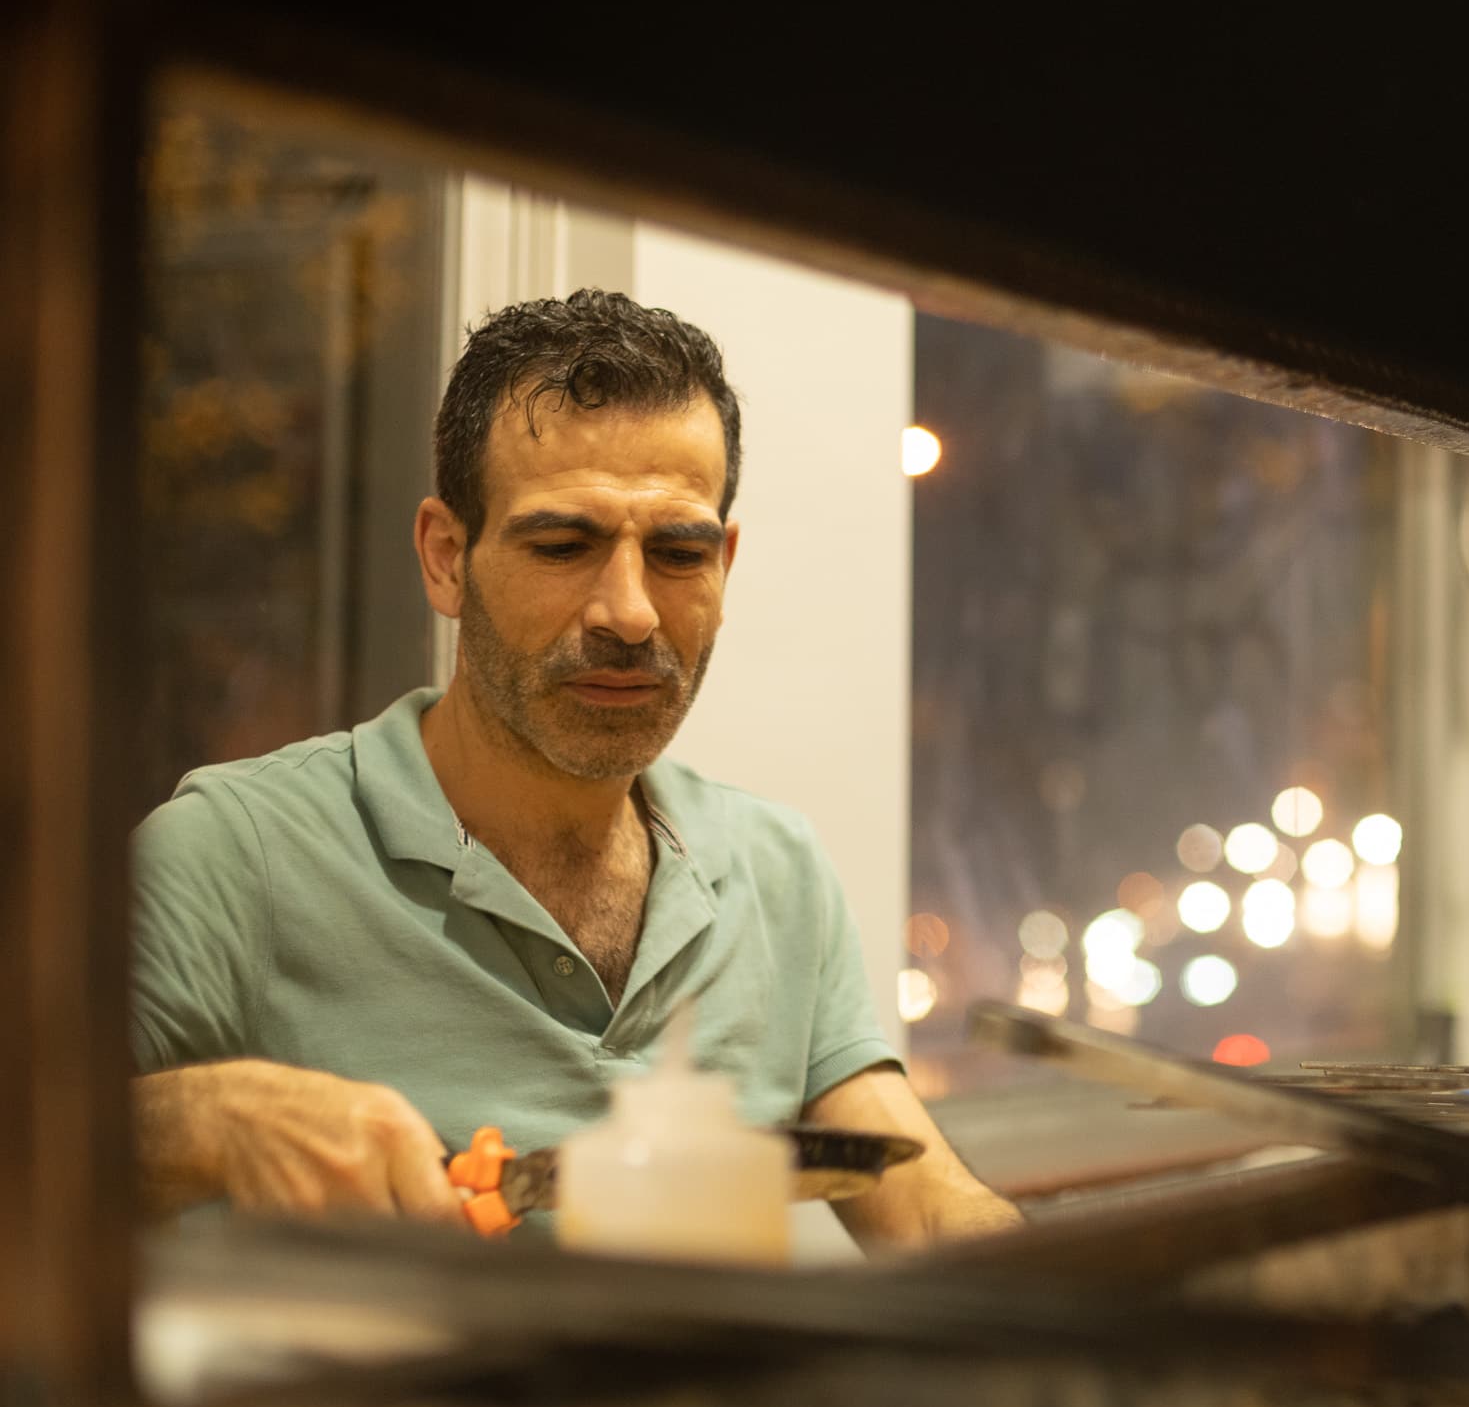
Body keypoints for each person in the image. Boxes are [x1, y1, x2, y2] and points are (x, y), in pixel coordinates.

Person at [129, 289, 1020, 1247]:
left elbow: (919, 1194)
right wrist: (209, 1117)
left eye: (678, 552)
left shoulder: (775, 864)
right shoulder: (233, 853)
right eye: (563, 544)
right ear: (444, 558)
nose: (630, 613)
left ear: (725, 564)